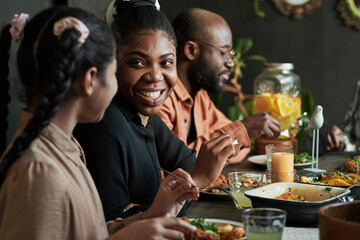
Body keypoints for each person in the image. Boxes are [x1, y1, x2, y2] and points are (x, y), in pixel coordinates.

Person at [0, 6, 199, 239]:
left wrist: (152, 213)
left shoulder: (66, 149)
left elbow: (88, 233)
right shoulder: (39, 173)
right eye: (114, 73)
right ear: (90, 80)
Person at [74, 0, 235, 222]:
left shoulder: (145, 116)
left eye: (166, 63)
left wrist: (196, 173)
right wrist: (196, 180)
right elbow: (108, 227)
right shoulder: (105, 125)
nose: (156, 76)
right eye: (138, 63)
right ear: (113, 62)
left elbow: (188, 163)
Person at [159, 8, 281, 164]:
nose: (230, 63)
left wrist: (233, 140)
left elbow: (240, 146)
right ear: (191, 50)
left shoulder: (200, 96)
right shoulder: (159, 97)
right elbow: (176, 165)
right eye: (224, 52)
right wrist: (242, 133)